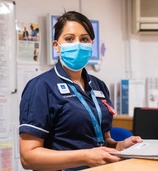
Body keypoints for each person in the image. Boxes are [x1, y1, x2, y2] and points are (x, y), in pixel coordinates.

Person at [19, 11, 142, 171]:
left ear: (91, 44)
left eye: (84, 39)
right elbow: (28, 158)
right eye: (69, 39)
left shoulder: (99, 86)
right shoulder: (41, 87)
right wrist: (85, 157)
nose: (77, 44)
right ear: (56, 46)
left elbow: (101, 141)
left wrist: (119, 146)